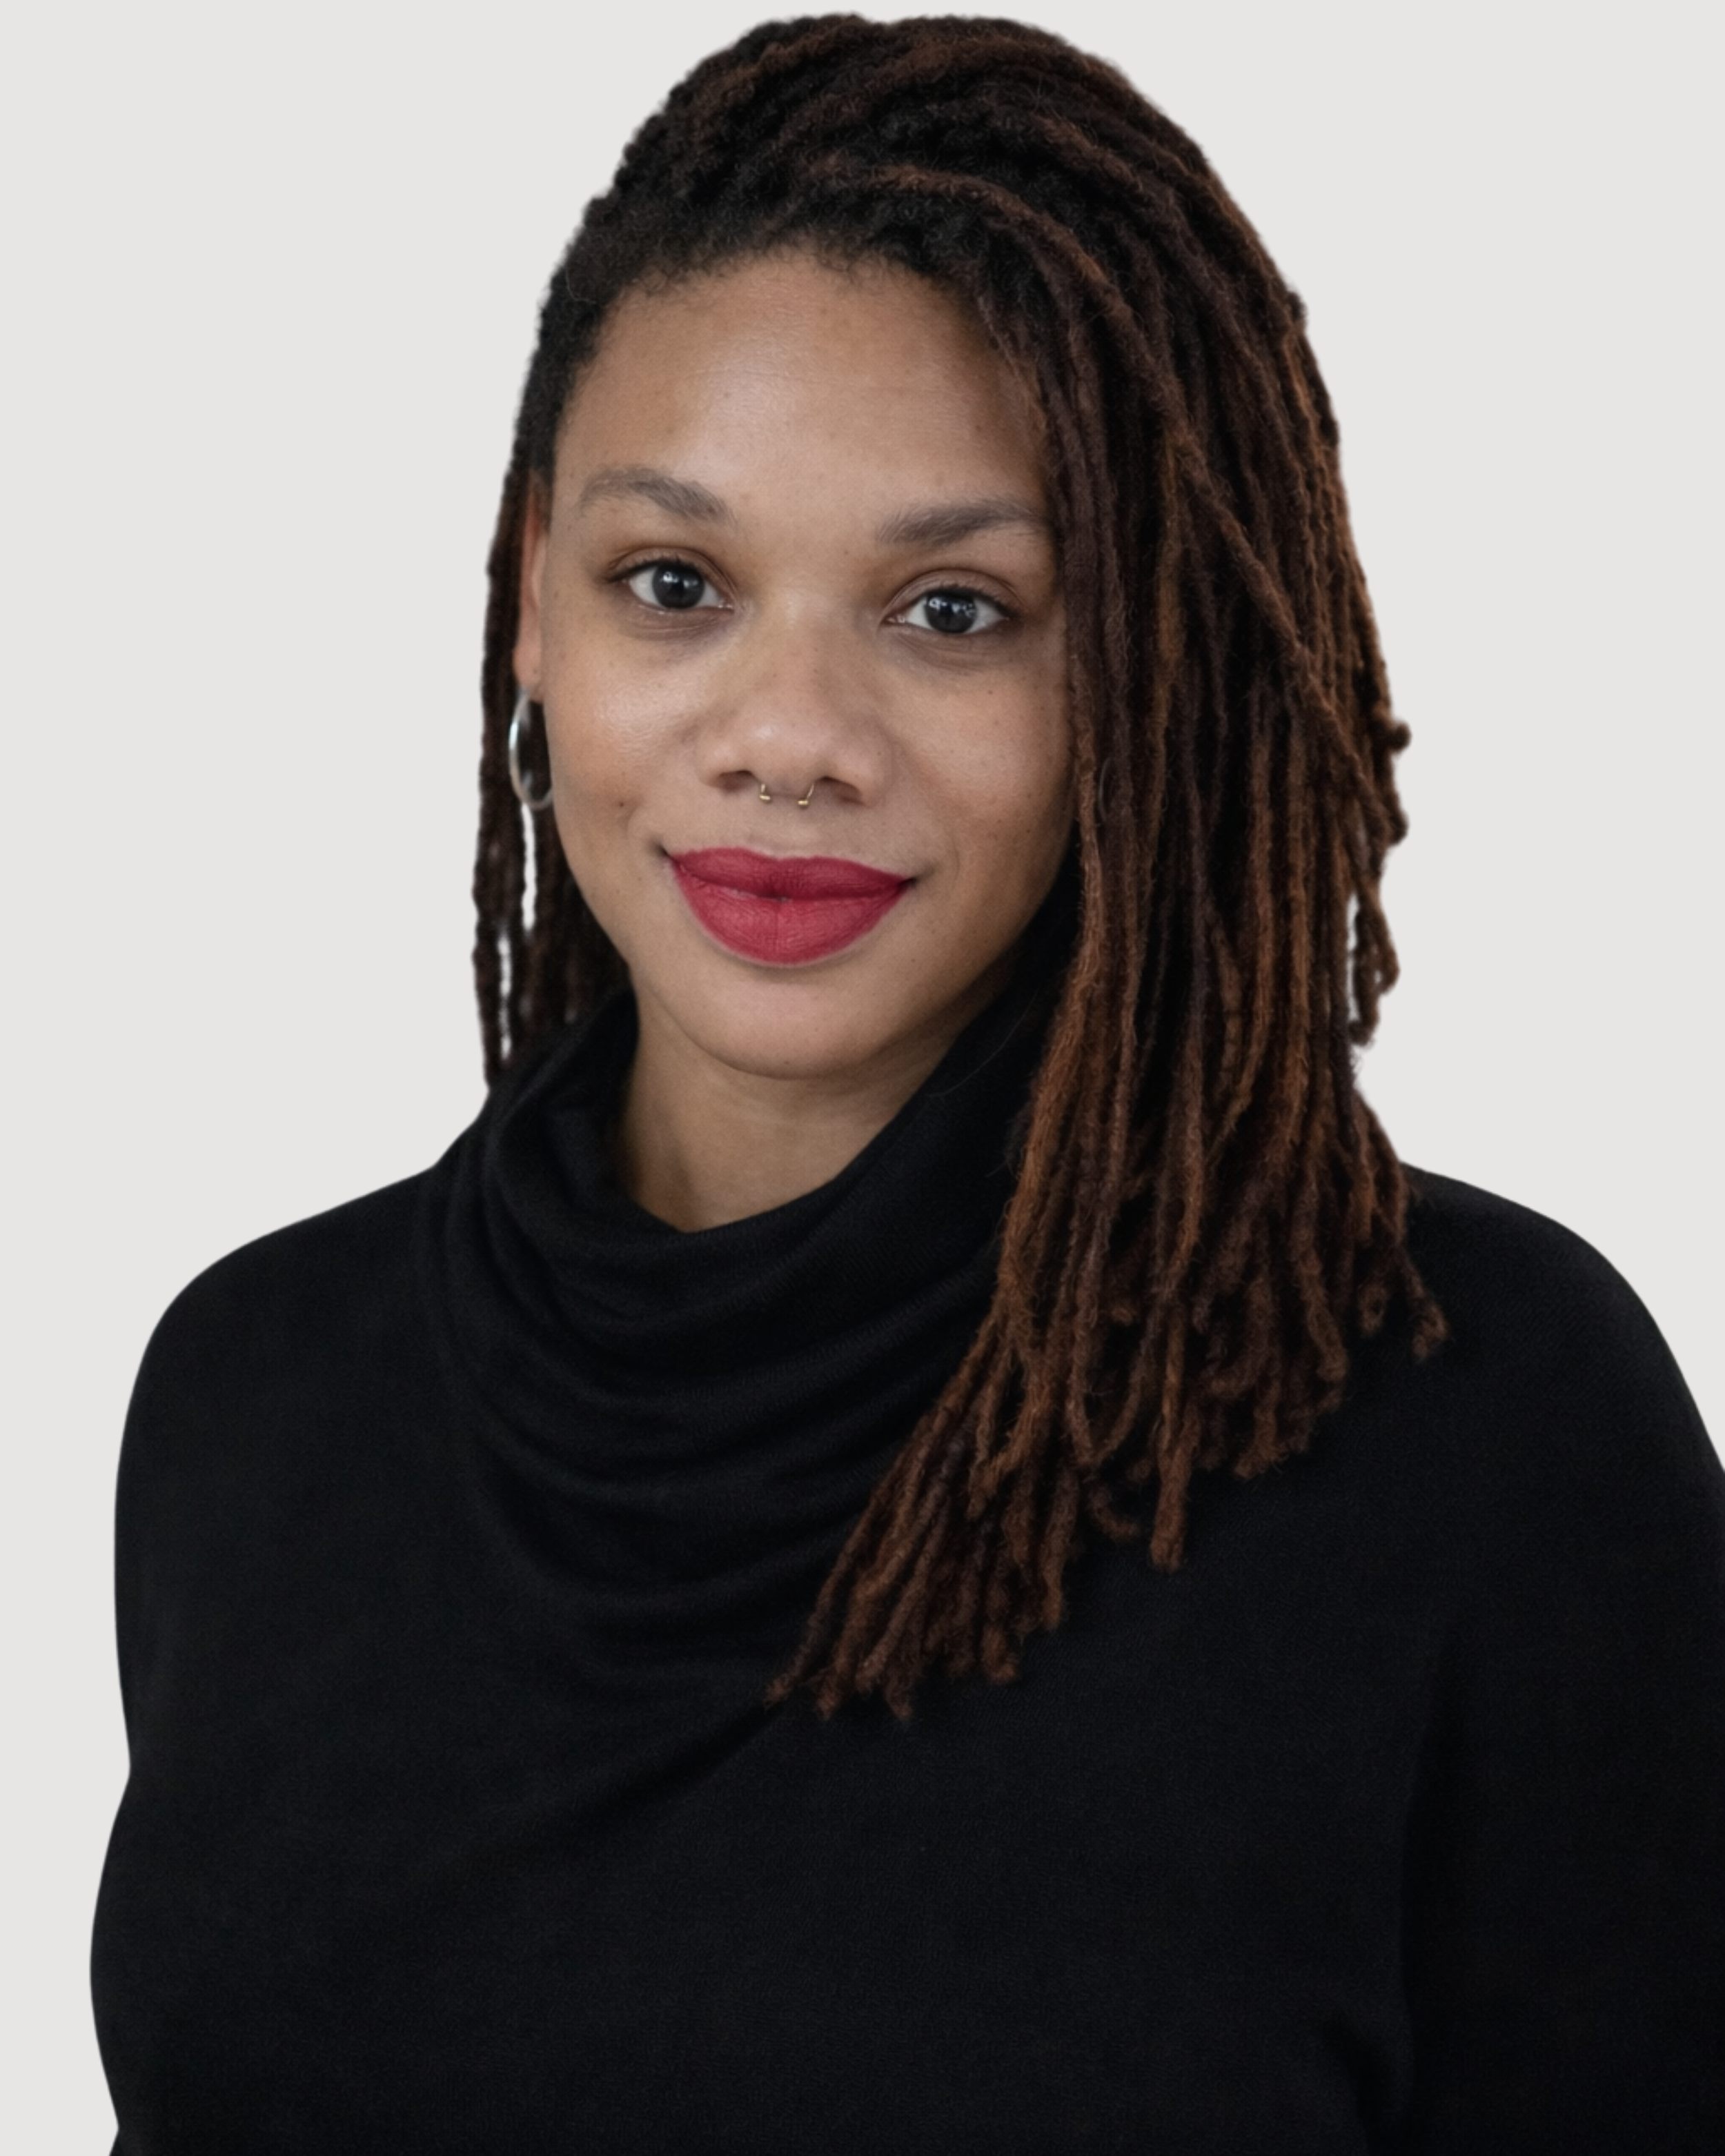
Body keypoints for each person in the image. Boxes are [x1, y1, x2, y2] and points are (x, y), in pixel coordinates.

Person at [91, 14, 1724, 2152]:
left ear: (1142, 664)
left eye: (953, 609)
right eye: (671, 585)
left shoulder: (1473, 1416)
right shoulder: (257, 1391)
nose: (790, 733)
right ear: (528, 597)